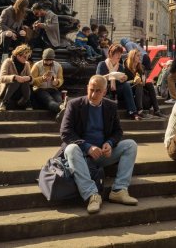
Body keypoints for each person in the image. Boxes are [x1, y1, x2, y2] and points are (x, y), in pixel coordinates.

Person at [59, 75, 138, 213]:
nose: (93, 94)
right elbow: (65, 132)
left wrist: (110, 143)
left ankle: (119, 190)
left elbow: (118, 131)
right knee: (71, 149)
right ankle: (92, 195)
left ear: (104, 92)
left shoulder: (111, 106)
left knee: (131, 145)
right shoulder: (74, 104)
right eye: (91, 89)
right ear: (87, 88)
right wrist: (87, 147)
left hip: (102, 153)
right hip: (81, 154)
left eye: (98, 91)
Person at [96, 44, 141, 120]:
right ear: (111, 54)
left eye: (120, 53)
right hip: (106, 89)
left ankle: (133, 112)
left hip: (117, 90)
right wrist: (109, 76)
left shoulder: (120, 66)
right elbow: (97, 79)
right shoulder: (102, 64)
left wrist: (124, 78)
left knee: (126, 85)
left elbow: (122, 80)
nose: (119, 55)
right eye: (117, 54)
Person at [0, 44, 33, 111]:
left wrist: (29, 78)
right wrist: (14, 77)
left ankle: (25, 101)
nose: (26, 59)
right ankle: (4, 102)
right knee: (16, 80)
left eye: (28, 57)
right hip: (5, 89)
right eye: (24, 57)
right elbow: (1, 78)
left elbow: (32, 80)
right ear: (18, 55)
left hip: (19, 90)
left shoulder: (27, 64)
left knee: (25, 80)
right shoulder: (8, 62)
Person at [126, 48, 164, 118]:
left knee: (149, 84)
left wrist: (143, 81)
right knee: (139, 84)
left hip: (139, 87)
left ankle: (157, 110)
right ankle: (140, 111)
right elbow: (125, 80)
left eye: (140, 56)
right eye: (138, 56)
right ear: (132, 56)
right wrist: (134, 81)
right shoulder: (126, 66)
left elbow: (143, 80)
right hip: (130, 87)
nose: (140, 58)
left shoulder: (141, 67)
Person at [30, 48, 64, 118]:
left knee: (59, 100)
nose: (48, 62)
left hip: (53, 89)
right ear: (43, 58)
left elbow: (61, 79)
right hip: (40, 89)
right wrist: (42, 79)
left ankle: (61, 111)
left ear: (53, 59)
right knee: (50, 101)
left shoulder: (58, 66)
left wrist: (57, 82)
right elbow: (31, 81)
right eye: (46, 60)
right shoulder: (37, 66)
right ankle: (63, 111)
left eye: (50, 60)